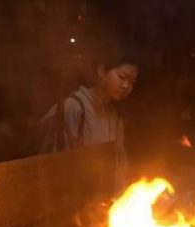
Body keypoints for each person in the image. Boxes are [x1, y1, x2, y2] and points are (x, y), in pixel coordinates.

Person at [39, 39, 139, 186]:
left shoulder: (115, 117)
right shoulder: (74, 108)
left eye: (132, 82)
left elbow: (119, 163)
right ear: (101, 71)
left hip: (101, 203)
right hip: (72, 201)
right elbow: (56, 168)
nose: (126, 86)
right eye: (122, 77)